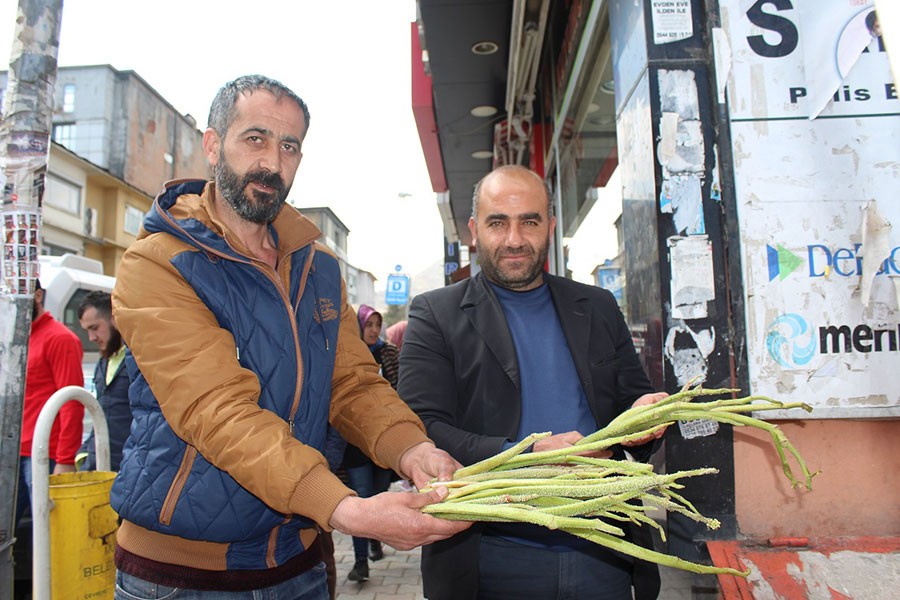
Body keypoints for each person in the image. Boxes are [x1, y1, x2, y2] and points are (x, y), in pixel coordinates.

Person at [108, 74, 467, 600]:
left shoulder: (317, 266)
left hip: (294, 561)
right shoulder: (157, 263)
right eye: (255, 139)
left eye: (290, 146)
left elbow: (352, 382)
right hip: (182, 574)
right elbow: (218, 411)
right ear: (213, 145)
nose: (273, 163)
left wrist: (412, 449)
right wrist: (346, 509)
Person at [398, 165, 667, 600]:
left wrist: (643, 417)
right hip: (492, 551)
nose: (514, 239)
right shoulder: (435, 313)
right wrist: (523, 453)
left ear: (551, 226)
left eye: (529, 221)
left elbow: (629, 398)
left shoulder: (596, 305)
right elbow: (421, 425)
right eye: (497, 223)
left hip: (604, 543)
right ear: (473, 229)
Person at [16, 279, 85, 528]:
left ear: (37, 295)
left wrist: (65, 460)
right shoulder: (16, 338)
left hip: (45, 456)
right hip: (14, 452)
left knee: (48, 535)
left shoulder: (60, 339)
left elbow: (72, 402)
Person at [343, 304, 398, 582]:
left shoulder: (388, 353)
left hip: (385, 442)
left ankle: (374, 536)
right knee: (362, 499)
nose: (374, 330)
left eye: (378, 325)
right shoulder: (346, 356)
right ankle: (360, 562)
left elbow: (401, 391)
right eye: (369, 325)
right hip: (355, 446)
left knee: (379, 493)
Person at [76, 290, 133, 471]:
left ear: (113, 319)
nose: (92, 338)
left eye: (95, 328)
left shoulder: (139, 361)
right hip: (99, 464)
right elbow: (101, 412)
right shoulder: (103, 362)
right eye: (87, 331)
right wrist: (84, 454)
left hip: (128, 468)